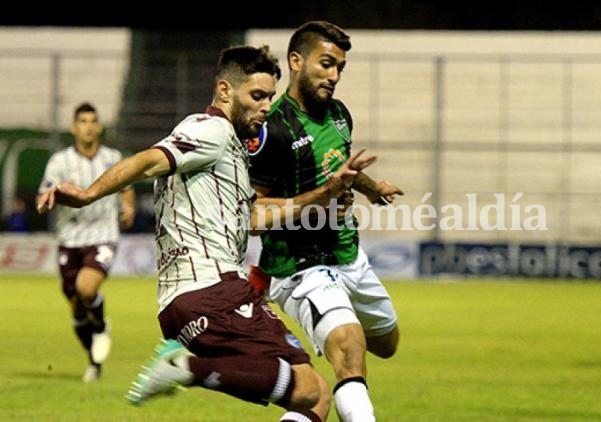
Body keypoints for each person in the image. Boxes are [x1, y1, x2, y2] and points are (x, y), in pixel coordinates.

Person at [37, 45, 376, 422]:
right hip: (214, 291)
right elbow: (149, 160)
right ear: (225, 90)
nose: (267, 107)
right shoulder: (209, 129)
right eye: (257, 96)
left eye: (270, 97)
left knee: (311, 396)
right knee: (311, 391)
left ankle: (188, 367)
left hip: (189, 301)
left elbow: (251, 215)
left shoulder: (228, 148)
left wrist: (321, 197)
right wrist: (88, 194)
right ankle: (187, 368)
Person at [247, 21, 403, 422]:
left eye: (340, 68)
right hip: (301, 268)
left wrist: (370, 187)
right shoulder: (274, 130)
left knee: (386, 343)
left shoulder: (338, 115)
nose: (334, 76)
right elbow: (251, 214)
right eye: (326, 64)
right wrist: (321, 201)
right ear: (296, 61)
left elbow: (337, 169)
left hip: (350, 257)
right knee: (351, 351)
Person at [36, 102, 136, 382]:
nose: (88, 126)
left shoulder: (112, 157)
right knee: (77, 308)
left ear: (99, 126)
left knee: (86, 287)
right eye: (82, 121)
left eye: (93, 120)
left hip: (103, 235)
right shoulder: (59, 162)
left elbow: (125, 186)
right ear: (73, 127)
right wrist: (46, 202)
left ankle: (102, 325)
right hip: (70, 238)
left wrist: (127, 207)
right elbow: (44, 194)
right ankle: (94, 360)